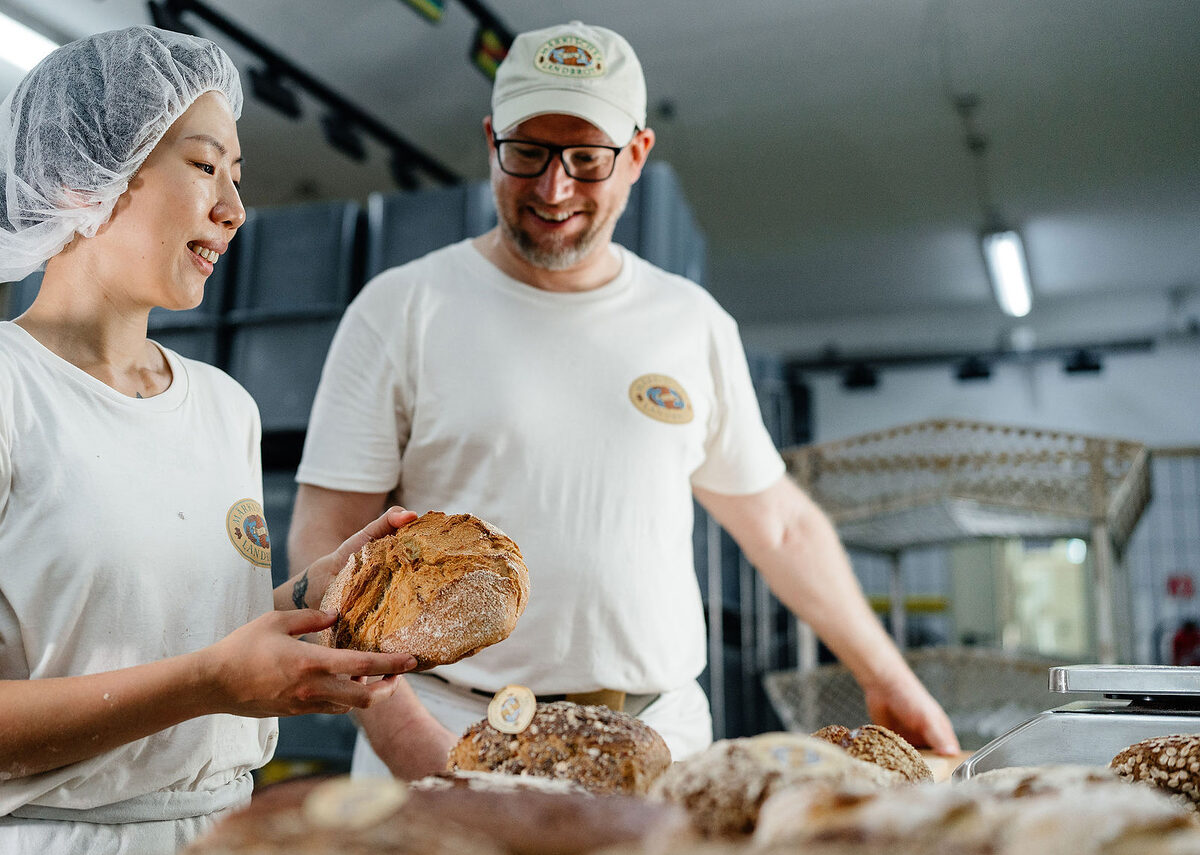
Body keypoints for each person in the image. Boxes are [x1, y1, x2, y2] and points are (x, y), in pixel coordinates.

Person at [287, 20, 961, 778]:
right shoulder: (403, 308)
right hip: (449, 724)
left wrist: (888, 677)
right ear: (491, 141)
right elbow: (326, 539)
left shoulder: (690, 321)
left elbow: (780, 526)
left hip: (658, 733)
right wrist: (403, 736)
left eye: (587, 158)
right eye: (528, 152)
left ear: (636, 155)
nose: (554, 189)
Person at [0, 27, 421, 853]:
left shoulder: (226, 407)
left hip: (217, 830)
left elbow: (163, 633)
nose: (235, 208)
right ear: (81, 179)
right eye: (205, 166)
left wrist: (313, 594)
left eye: (238, 175)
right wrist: (209, 683)